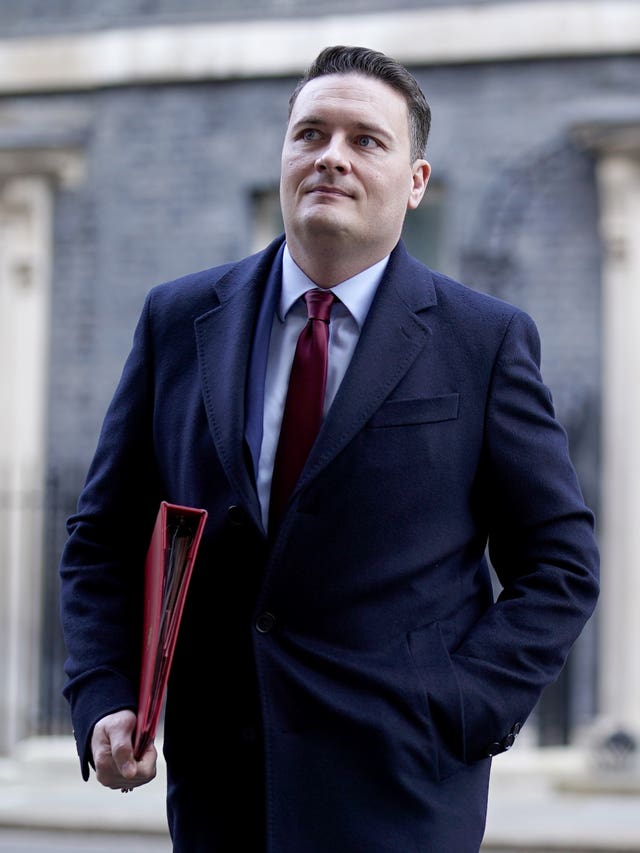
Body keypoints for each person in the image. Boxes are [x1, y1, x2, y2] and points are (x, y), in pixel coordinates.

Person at [59, 45, 600, 853]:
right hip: (220, 794)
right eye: (310, 134)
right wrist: (103, 691)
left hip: (402, 790)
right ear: (282, 158)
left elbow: (560, 563)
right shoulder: (177, 320)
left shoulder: (482, 341)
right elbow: (103, 534)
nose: (332, 157)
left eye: (366, 140)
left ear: (416, 182)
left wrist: (461, 705)